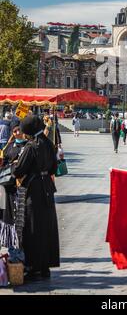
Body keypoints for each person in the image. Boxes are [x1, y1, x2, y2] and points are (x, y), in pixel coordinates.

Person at [12, 115, 60, 280]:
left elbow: (18, 170)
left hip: (34, 190)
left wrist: (14, 166)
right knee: (46, 227)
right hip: (47, 186)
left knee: (32, 227)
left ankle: (33, 266)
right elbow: (54, 167)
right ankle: (45, 266)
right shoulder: (48, 143)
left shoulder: (31, 146)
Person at [0, 120, 28, 249]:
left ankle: (24, 242)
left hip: (25, 188)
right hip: (10, 188)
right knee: (11, 216)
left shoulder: (29, 146)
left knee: (24, 218)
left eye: (19, 130)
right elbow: (3, 165)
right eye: (14, 131)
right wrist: (12, 165)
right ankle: (13, 243)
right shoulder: (9, 147)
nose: (17, 133)